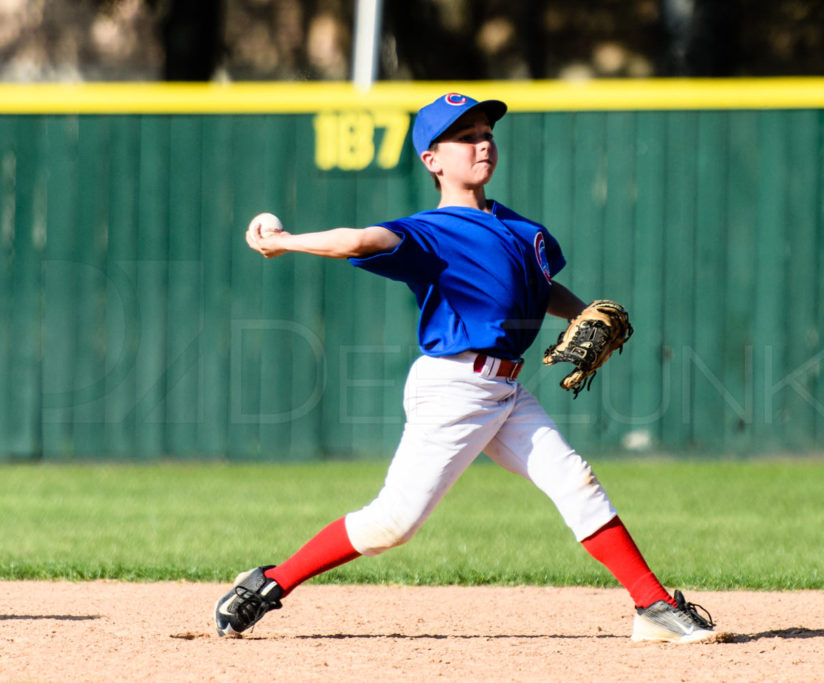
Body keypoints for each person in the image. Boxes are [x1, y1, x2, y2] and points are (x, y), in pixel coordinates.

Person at [215, 92, 715, 643]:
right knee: (392, 524)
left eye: (487, 133)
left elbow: (541, 287)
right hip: (453, 387)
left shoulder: (523, 230)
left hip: (507, 391)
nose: (483, 143)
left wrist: (583, 312)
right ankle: (267, 585)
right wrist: (284, 243)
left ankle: (653, 605)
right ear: (432, 160)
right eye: (466, 136)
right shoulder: (430, 232)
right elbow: (357, 240)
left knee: (575, 479)